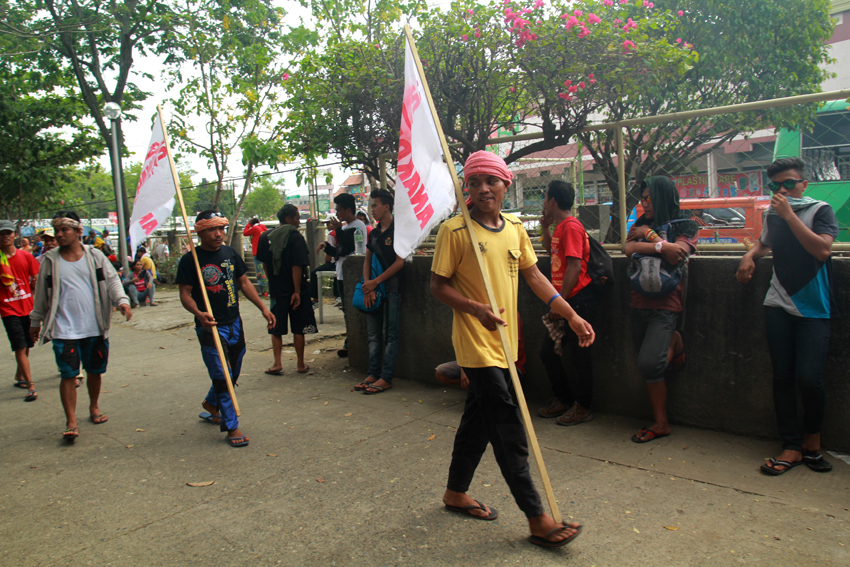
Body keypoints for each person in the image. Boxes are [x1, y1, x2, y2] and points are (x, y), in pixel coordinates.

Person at [430, 151, 594, 548]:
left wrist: (570, 315)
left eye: (491, 180)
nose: (483, 188)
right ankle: (538, 518)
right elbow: (438, 287)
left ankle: (455, 492)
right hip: (475, 344)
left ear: (506, 183)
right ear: (466, 187)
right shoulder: (455, 232)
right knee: (507, 427)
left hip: (506, 342)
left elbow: (535, 276)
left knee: (479, 421)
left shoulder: (515, 228)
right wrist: (473, 308)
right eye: (475, 182)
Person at [737, 157, 837, 475]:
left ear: (803, 183)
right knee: (782, 378)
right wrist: (749, 255)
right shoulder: (772, 214)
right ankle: (791, 445)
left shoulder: (820, 210)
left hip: (813, 307)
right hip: (778, 303)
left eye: (789, 183)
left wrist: (789, 214)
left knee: (809, 378)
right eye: (776, 185)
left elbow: (822, 250)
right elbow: (766, 242)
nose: (782, 189)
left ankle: (812, 441)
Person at [29, 211, 132, 442]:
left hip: (95, 326)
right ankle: (71, 421)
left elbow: (113, 281)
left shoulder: (95, 257)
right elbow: (41, 295)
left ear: (78, 231)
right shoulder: (49, 260)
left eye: (65, 229)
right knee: (68, 374)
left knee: (95, 371)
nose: (59, 234)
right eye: (57, 230)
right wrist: (35, 322)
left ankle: (94, 406)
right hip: (63, 329)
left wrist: (122, 301)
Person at [176, 210, 275, 448]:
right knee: (223, 378)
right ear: (200, 232)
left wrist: (263, 308)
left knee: (234, 370)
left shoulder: (231, 254)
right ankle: (232, 426)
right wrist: (198, 313)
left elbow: (243, 282)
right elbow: (185, 294)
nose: (219, 234)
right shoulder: (191, 260)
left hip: (234, 323)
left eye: (221, 228)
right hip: (210, 328)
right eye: (212, 229)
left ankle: (211, 404)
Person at [625, 177, 697, 444]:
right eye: (643, 199)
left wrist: (652, 238)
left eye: (649, 198)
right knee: (647, 365)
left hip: (666, 303)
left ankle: (661, 423)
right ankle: (674, 342)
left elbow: (679, 252)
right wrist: (659, 245)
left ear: (664, 197)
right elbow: (627, 248)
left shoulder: (684, 223)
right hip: (638, 299)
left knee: (649, 364)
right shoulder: (641, 223)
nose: (644, 203)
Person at [537, 180, 597, 426]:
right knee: (548, 352)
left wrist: (560, 302)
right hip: (565, 300)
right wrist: (546, 228)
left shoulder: (571, 227)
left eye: (545, 198)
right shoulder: (561, 227)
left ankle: (582, 406)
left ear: (552, 201)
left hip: (576, 301)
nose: (544, 203)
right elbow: (551, 250)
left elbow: (574, 265)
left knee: (579, 356)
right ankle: (563, 398)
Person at [256, 204, 318, 375]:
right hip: (297, 291)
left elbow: (265, 265)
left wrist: (273, 282)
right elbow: (297, 267)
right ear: (288, 219)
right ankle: (300, 364)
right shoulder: (295, 237)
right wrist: (297, 291)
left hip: (278, 290)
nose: (299, 222)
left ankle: (277, 363)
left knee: (276, 327)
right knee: (298, 327)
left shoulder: (265, 236)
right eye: (297, 218)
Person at [353, 189, 404, 394]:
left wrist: (376, 282)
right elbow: (367, 260)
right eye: (371, 205)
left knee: (390, 334)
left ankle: (386, 377)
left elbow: (400, 262)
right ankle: (373, 373)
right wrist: (368, 286)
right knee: (374, 334)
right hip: (374, 288)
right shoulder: (373, 233)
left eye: (374, 205)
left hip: (392, 288)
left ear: (386, 207)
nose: (372, 209)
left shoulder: (398, 231)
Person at [317, 193, 366, 357]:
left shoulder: (358, 226)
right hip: (341, 273)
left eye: (339, 210)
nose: (337, 214)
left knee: (352, 310)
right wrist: (326, 246)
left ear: (347, 209)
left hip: (352, 275)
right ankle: (350, 340)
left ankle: (352, 342)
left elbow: (347, 247)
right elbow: (339, 251)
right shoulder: (345, 228)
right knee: (346, 310)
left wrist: (337, 229)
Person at [0, 221, 39, 402]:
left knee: (27, 344)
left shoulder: (26, 257)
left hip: (27, 307)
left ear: (15, 235)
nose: (5, 236)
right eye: (2, 233)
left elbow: (35, 278)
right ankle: (31, 386)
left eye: (8, 232)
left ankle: (19, 375)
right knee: (20, 346)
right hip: (8, 309)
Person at [243, 217, 269, 297]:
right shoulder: (263, 227)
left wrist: (248, 224)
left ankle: (263, 291)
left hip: (257, 253)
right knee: (265, 271)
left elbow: (245, 233)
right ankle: (267, 290)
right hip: (265, 252)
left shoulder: (255, 228)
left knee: (259, 272)